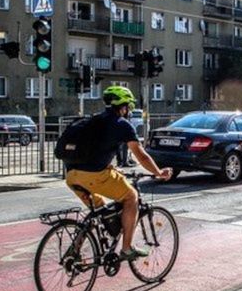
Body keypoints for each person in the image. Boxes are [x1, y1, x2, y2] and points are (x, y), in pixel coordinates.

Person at [65, 86, 171, 260]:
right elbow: (142, 157)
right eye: (129, 106)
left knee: (97, 211)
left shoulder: (94, 120)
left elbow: (93, 151)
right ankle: (127, 248)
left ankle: (75, 249)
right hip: (94, 176)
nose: (129, 110)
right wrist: (159, 172)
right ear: (124, 106)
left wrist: (110, 168)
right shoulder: (122, 125)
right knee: (131, 197)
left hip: (72, 176)